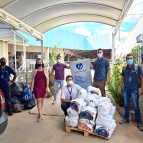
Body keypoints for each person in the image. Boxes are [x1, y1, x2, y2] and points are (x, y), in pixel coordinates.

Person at [118, 54, 143, 131]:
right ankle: (126, 119)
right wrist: (120, 87)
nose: (129, 59)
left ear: (133, 59)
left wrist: (142, 88)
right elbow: (123, 78)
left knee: (136, 106)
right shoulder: (124, 68)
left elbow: (142, 78)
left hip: (134, 90)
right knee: (126, 105)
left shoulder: (137, 67)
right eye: (128, 58)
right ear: (126, 60)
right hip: (126, 90)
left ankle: (138, 122)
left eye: (131, 58)